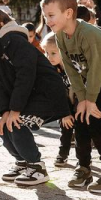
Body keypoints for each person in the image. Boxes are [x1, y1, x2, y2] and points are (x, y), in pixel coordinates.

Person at [41, 0, 101, 193]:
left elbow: (99, 68)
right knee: (80, 118)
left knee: (96, 118)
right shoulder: (60, 36)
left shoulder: (91, 34)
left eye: (51, 15)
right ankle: (83, 168)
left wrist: (90, 100)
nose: (47, 20)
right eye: (45, 16)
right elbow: (72, 71)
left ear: (68, 13)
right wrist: (82, 99)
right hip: (91, 78)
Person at [0, 6, 68, 187]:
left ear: (0, 25)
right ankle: (22, 162)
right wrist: (6, 111)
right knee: (5, 127)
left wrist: (15, 110)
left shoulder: (14, 41)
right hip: (27, 94)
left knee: (18, 123)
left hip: (46, 93)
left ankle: (37, 166)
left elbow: (26, 76)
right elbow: (0, 82)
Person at [41, 32, 76, 168]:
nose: (49, 57)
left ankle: (84, 157)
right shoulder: (50, 70)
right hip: (63, 105)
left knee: (82, 131)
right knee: (65, 130)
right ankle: (63, 154)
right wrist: (64, 113)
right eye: (46, 53)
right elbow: (55, 94)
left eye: (53, 53)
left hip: (79, 103)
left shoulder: (73, 68)